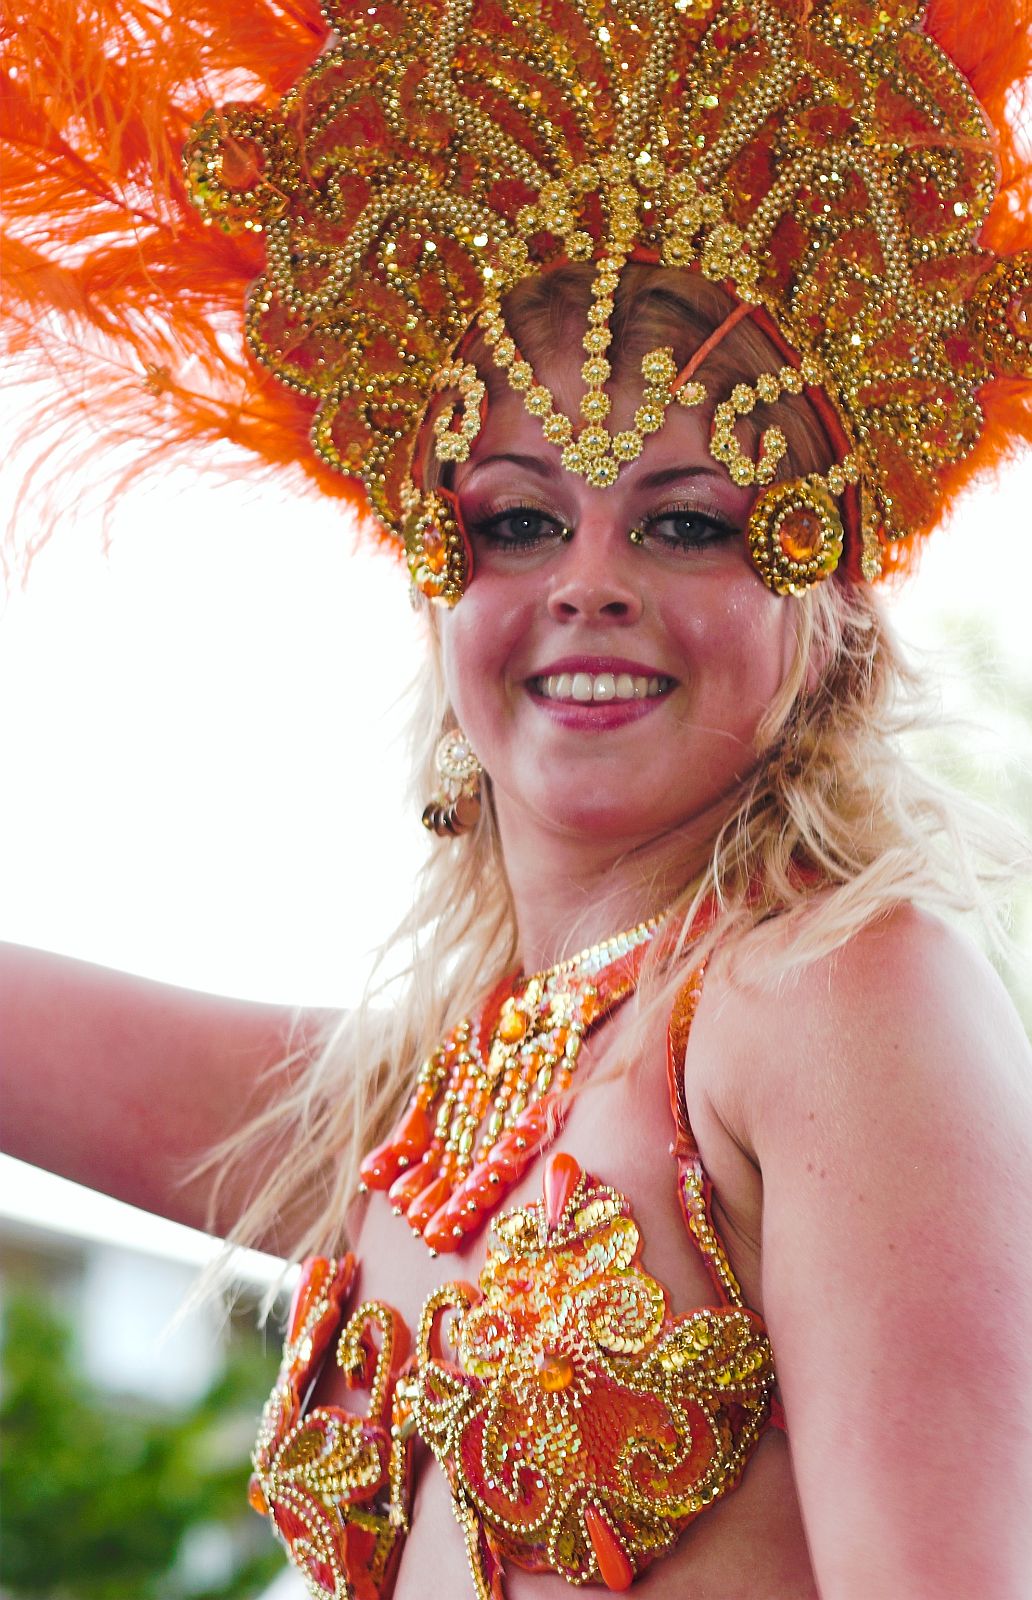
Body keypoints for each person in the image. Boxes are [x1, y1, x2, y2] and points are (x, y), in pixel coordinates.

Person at [3, 0, 1032, 1596]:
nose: (589, 589)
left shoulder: (839, 994)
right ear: (437, 581)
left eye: (687, 525)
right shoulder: (449, 1093)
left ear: (826, 609)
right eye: (517, 522)